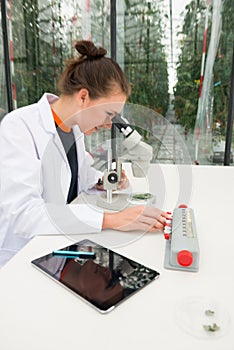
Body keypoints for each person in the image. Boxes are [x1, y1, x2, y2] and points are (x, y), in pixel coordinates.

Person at [0, 40, 168, 268]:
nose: (110, 125)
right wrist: (112, 220)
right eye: (109, 114)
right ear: (83, 97)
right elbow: (24, 216)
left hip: (59, 250)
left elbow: (73, 178)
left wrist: (102, 181)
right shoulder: (18, 127)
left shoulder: (72, 131)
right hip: (21, 260)